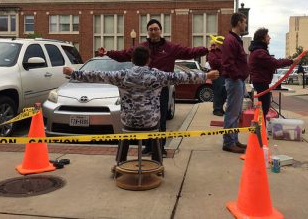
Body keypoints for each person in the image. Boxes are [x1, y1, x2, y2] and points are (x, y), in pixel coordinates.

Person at [64, 46, 219, 162]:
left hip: (128, 122)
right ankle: (157, 163)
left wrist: (73, 73)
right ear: (148, 60)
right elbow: (181, 77)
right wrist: (206, 75)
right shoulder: (157, 75)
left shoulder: (121, 75)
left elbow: (97, 75)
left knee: (125, 129)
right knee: (157, 126)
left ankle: (120, 162)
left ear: (132, 60)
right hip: (150, 123)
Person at [99, 19, 209, 156]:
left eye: (156, 29)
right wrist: (108, 53)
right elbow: (124, 54)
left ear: (161, 31)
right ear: (148, 32)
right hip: (144, 89)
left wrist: (206, 49)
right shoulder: (142, 47)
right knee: (146, 119)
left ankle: (159, 147)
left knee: (161, 118)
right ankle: (148, 146)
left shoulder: (171, 48)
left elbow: (189, 51)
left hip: (161, 88)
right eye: (150, 29)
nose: (153, 31)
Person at [248, 28, 297, 121]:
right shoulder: (259, 52)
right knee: (263, 109)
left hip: (261, 82)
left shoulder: (259, 50)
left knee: (263, 109)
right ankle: (259, 132)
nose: (269, 38)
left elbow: (272, 63)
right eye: (267, 36)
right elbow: (274, 63)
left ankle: (260, 131)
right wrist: (292, 61)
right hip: (261, 83)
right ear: (262, 38)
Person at [220, 13, 249, 153]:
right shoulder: (230, 40)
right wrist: (237, 76)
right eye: (244, 22)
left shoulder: (236, 40)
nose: (246, 25)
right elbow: (228, 63)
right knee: (232, 112)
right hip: (234, 80)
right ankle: (228, 142)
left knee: (236, 113)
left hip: (238, 80)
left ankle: (234, 140)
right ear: (238, 23)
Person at [207, 42, 227, 116]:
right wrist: (223, 61)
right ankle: (217, 109)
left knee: (224, 92)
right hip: (217, 75)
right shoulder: (212, 52)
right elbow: (213, 62)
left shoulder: (223, 51)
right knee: (218, 92)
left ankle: (220, 108)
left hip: (225, 74)